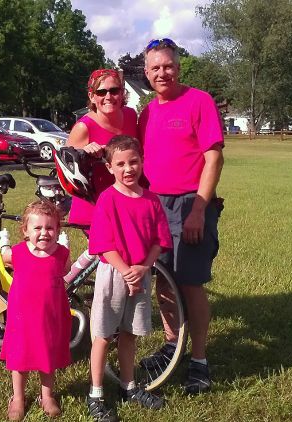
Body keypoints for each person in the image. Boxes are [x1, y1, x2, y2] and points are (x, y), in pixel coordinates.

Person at [137, 38, 225, 395]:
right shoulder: (147, 112)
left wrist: (198, 211)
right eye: (155, 67)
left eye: (168, 65)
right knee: (164, 282)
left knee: (190, 283)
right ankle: (173, 346)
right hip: (156, 206)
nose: (163, 72)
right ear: (146, 73)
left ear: (179, 66)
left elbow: (214, 158)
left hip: (191, 204)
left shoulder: (198, 101)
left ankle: (199, 360)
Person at [86, 136, 173, 422]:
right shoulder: (108, 199)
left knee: (129, 333)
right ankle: (96, 394)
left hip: (141, 273)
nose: (128, 169)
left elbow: (159, 241)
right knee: (103, 335)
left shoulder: (151, 200)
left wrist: (143, 268)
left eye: (133, 162)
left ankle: (129, 386)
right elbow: (103, 243)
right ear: (109, 167)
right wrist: (126, 270)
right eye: (120, 164)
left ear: (142, 162)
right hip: (114, 274)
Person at [0, 200, 72, 420]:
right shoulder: (18, 253)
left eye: (50, 228)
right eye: (37, 228)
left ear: (58, 230)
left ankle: (46, 396)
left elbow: (67, 269)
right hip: (22, 318)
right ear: (25, 231)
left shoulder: (61, 254)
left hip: (50, 317)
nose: (44, 233)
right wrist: (3, 243)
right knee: (20, 358)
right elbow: (3, 258)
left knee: (47, 357)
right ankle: (18, 397)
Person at [67, 68, 138, 226]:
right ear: (92, 96)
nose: (108, 97)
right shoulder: (83, 128)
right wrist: (83, 153)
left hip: (126, 200)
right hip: (95, 206)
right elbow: (66, 172)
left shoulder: (131, 116)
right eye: (101, 92)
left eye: (114, 90)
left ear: (122, 93)